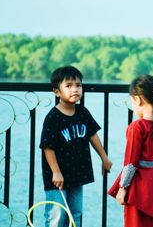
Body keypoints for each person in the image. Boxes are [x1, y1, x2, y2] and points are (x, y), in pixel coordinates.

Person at [39, 65, 113, 227]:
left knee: (76, 214)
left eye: (78, 85)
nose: (75, 89)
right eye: (69, 86)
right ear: (57, 92)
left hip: (77, 174)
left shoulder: (82, 112)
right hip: (57, 178)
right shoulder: (53, 117)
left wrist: (104, 157)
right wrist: (56, 172)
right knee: (56, 215)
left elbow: (92, 134)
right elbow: (47, 147)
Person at [108, 74, 153, 227]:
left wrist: (123, 188)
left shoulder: (137, 127)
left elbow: (130, 163)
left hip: (141, 188)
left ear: (137, 99)